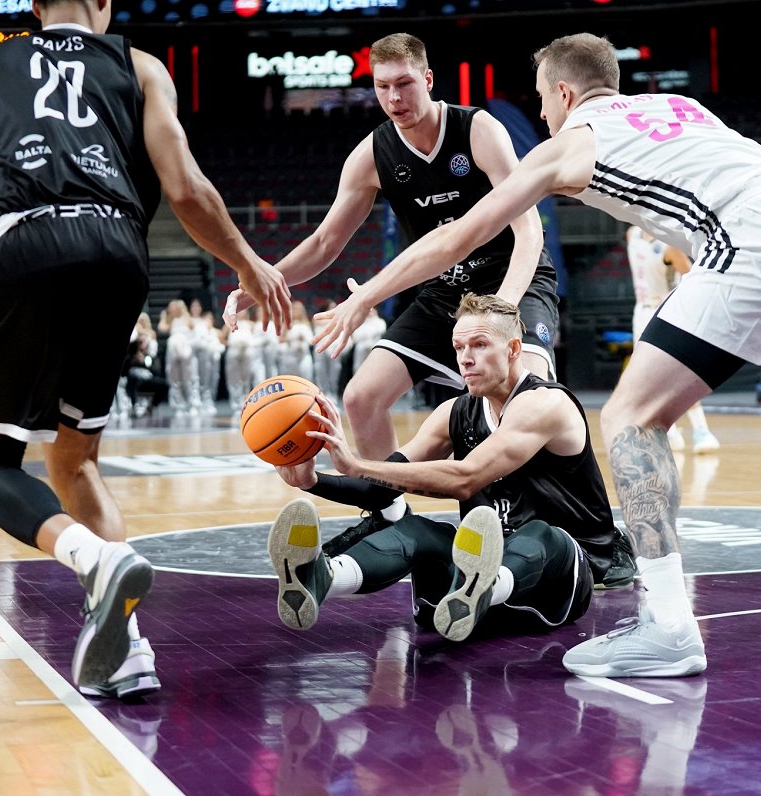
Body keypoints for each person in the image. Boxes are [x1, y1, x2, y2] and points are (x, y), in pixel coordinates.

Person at [315, 33, 761, 678]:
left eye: (542, 100)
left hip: (754, 237)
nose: (541, 115)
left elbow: (460, 236)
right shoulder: (677, 106)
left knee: (630, 419)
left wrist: (364, 297)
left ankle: (670, 626)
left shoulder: (565, 144)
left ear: (565, 93)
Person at [0, 0, 291, 697]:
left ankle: (91, 558)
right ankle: (130, 651)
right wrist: (246, 261)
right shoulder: (142, 65)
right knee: (76, 457)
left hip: (28, 241)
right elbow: (184, 188)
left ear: (34, 8)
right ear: (105, 5)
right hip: (119, 251)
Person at [227, 33, 561, 533]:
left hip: (515, 275)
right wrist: (262, 283)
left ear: (427, 79)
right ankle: (391, 516)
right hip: (446, 289)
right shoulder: (372, 155)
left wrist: (503, 309)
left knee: (532, 393)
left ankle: (567, 526)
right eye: (383, 87)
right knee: (362, 396)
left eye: (405, 84)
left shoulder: (477, 129)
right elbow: (324, 244)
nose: (395, 98)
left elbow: (529, 227)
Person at [266, 294, 636, 650]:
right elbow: (383, 489)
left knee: (543, 535)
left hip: (557, 584)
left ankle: (484, 586)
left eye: (479, 345)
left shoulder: (546, 404)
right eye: (459, 348)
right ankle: (324, 577)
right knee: (415, 529)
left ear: (513, 349)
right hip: (461, 595)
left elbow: (466, 478)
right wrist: (314, 481)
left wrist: (357, 462)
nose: (466, 359)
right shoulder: (453, 413)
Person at [624, 225, 719, 454]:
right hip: (642, 311)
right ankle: (671, 432)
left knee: (676, 376)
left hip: (667, 312)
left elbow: (694, 279)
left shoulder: (669, 244)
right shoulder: (632, 234)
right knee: (649, 377)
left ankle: (701, 430)